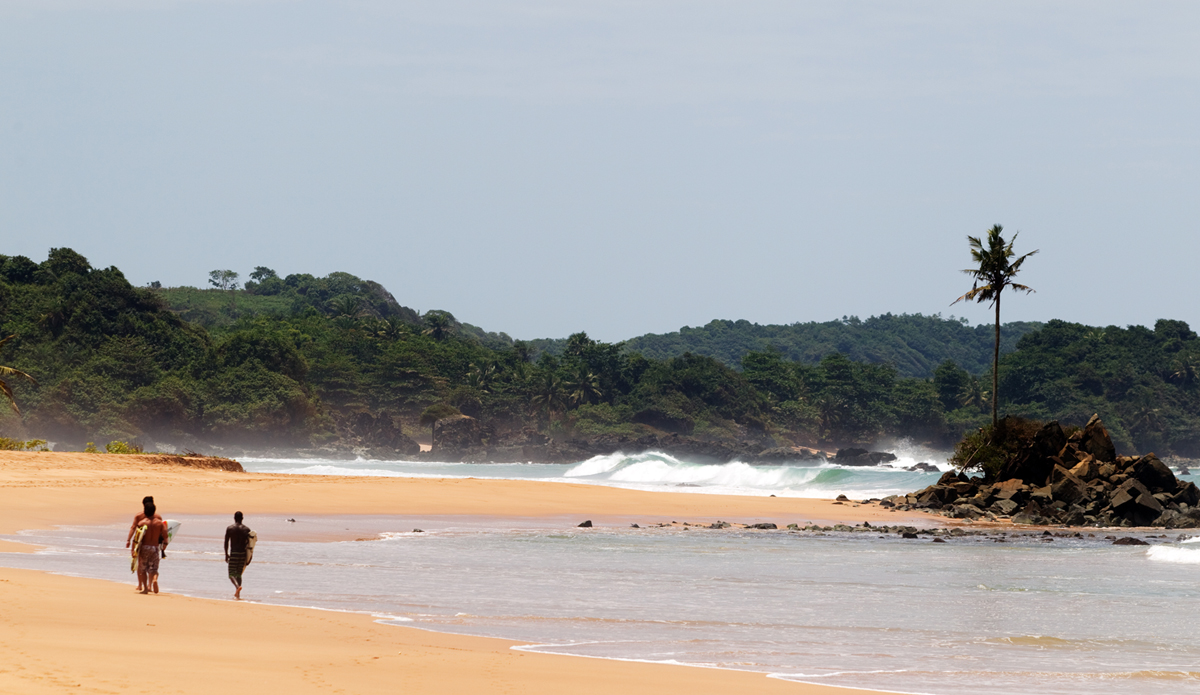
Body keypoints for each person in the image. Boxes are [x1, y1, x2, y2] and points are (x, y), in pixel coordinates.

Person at [126, 496, 163, 592]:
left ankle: (140, 585)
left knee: (141, 566)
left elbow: (134, 528)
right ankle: (150, 585)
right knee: (152, 567)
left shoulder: (139, 517)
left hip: (142, 544)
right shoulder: (158, 518)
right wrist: (163, 545)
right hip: (154, 545)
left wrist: (129, 540)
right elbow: (162, 532)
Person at [134, 503, 168, 594]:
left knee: (143, 569)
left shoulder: (141, 523)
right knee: (154, 569)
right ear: (154, 511)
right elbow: (165, 536)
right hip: (155, 548)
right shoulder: (160, 523)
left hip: (144, 547)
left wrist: (134, 550)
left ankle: (145, 589)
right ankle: (154, 579)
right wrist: (165, 545)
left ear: (145, 511)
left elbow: (136, 538)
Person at [224, 511, 252, 600]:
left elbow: (226, 542)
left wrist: (226, 554)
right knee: (239, 574)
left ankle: (237, 586)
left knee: (231, 574)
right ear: (242, 518)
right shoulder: (247, 529)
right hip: (242, 554)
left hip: (234, 553)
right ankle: (238, 595)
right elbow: (250, 544)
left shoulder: (230, 528)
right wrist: (249, 556)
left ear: (234, 518)